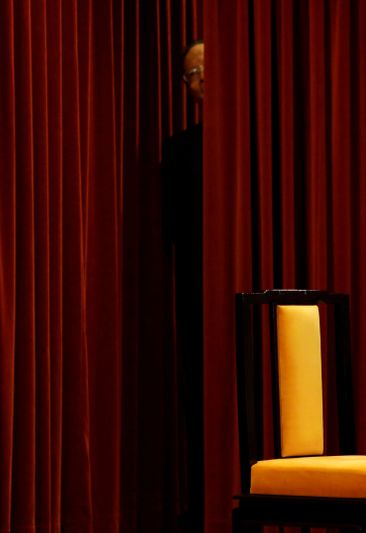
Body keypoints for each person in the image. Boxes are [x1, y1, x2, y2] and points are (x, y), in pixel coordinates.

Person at [161, 39, 204, 533]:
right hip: (197, 284)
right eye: (195, 73)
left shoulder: (261, 140)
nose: (204, 79)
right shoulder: (178, 149)